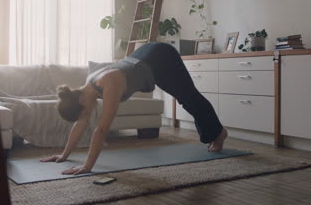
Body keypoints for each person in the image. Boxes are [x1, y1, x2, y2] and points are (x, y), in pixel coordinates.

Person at [40, 42, 228, 175]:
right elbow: (80, 124)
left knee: (189, 97)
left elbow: (102, 129)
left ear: (81, 103)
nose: (87, 117)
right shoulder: (86, 89)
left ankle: (219, 134)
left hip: (162, 57)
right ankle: (215, 132)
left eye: (85, 113)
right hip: (147, 58)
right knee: (186, 98)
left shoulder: (109, 85)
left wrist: (87, 167)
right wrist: (64, 155)